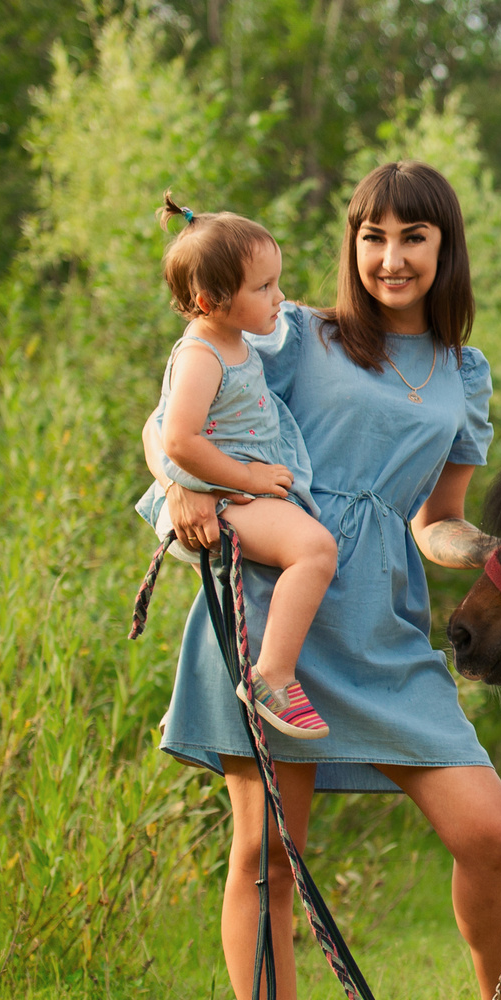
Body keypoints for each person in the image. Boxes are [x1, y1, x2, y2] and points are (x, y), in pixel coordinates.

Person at [143, 161, 501, 1000]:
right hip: (275, 598)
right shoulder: (296, 331)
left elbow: (439, 521)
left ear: (443, 247)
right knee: (264, 856)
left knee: (489, 831)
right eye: (373, 235)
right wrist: (179, 489)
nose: (390, 256)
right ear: (352, 243)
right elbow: (180, 390)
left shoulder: (464, 376)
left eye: (412, 237)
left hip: (379, 611)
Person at [136, 198, 336, 738]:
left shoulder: (231, 338)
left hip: (235, 490)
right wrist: (247, 478)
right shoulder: (201, 355)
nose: (280, 296)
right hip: (226, 495)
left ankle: (210, 693)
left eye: (277, 282)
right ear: (210, 300)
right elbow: (176, 436)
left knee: (273, 576)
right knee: (314, 550)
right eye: (264, 288)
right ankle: (272, 676)